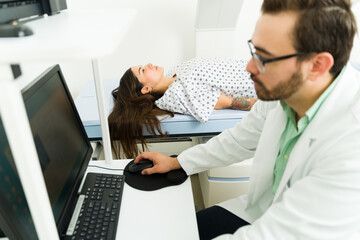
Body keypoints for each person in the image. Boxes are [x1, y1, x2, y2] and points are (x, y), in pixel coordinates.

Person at [134, 0, 360, 239]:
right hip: (261, 211)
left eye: (265, 58)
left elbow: (277, 235)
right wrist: (178, 161)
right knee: (178, 230)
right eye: (254, 50)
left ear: (317, 65)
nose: (250, 67)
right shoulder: (282, 97)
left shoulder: (350, 143)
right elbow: (238, 140)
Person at [108, 58, 258, 159]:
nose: (149, 64)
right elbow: (231, 102)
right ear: (146, 89)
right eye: (143, 70)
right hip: (263, 79)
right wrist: (274, 102)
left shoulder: (174, 72)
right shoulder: (178, 94)